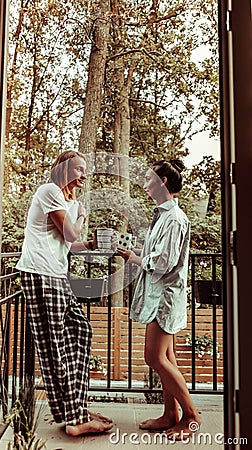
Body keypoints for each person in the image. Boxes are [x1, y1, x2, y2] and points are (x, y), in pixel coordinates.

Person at [16, 150, 113, 436]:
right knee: (55, 346)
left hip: (56, 275)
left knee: (80, 332)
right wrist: (82, 216)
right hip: (40, 272)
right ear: (64, 168)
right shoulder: (49, 190)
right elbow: (71, 234)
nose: (85, 174)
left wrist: (93, 245)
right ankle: (75, 419)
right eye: (80, 169)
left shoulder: (66, 200)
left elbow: (71, 245)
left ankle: (75, 410)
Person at [117, 159, 201, 440]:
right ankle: (170, 414)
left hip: (165, 296)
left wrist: (133, 257)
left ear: (163, 181)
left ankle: (191, 417)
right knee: (167, 356)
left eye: (149, 179)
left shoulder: (175, 219)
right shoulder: (163, 217)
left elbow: (164, 262)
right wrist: (133, 249)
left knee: (153, 356)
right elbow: (158, 253)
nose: (145, 185)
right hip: (158, 294)